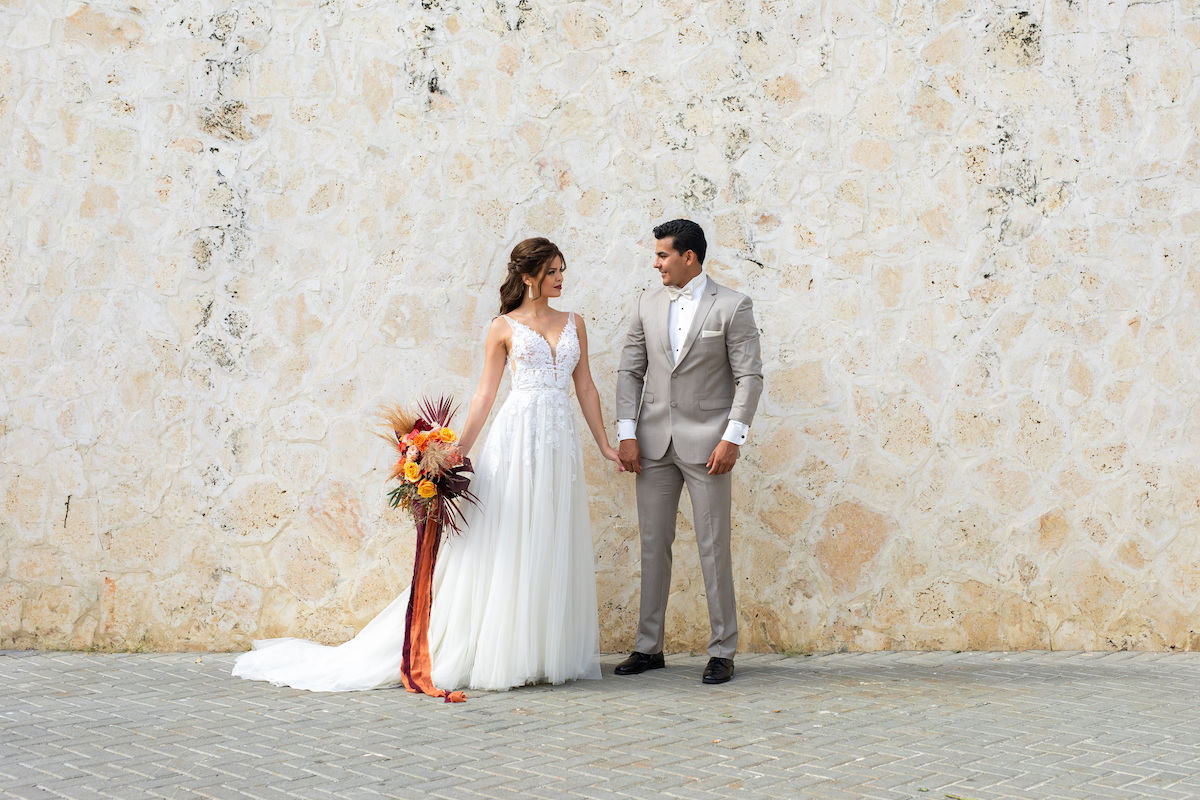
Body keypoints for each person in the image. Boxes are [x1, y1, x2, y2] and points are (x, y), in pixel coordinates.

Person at [233, 237, 621, 692]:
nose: (561, 278)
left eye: (562, 270)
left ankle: (539, 649)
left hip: (559, 446)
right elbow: (484, 395)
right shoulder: (503, 327)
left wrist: (604, 445)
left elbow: (587, 388)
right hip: (518, 440)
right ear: (530, 276)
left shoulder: (575, 323)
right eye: (553, 270)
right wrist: (457, 453)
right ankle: (503, 650)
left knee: (551, 536)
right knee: (511, 537)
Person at [614, 219, 763, 685]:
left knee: (713, 548)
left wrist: (732, 438)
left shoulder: (733, 306)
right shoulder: (646, 302)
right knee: (653, 547)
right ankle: (648, 647)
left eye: (662, 255)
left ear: (689, 258)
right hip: (653, 443)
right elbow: (629, 370)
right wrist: (626, 432)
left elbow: (750, 377)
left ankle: (723, 649)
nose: (655, 263)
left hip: (709, 447)